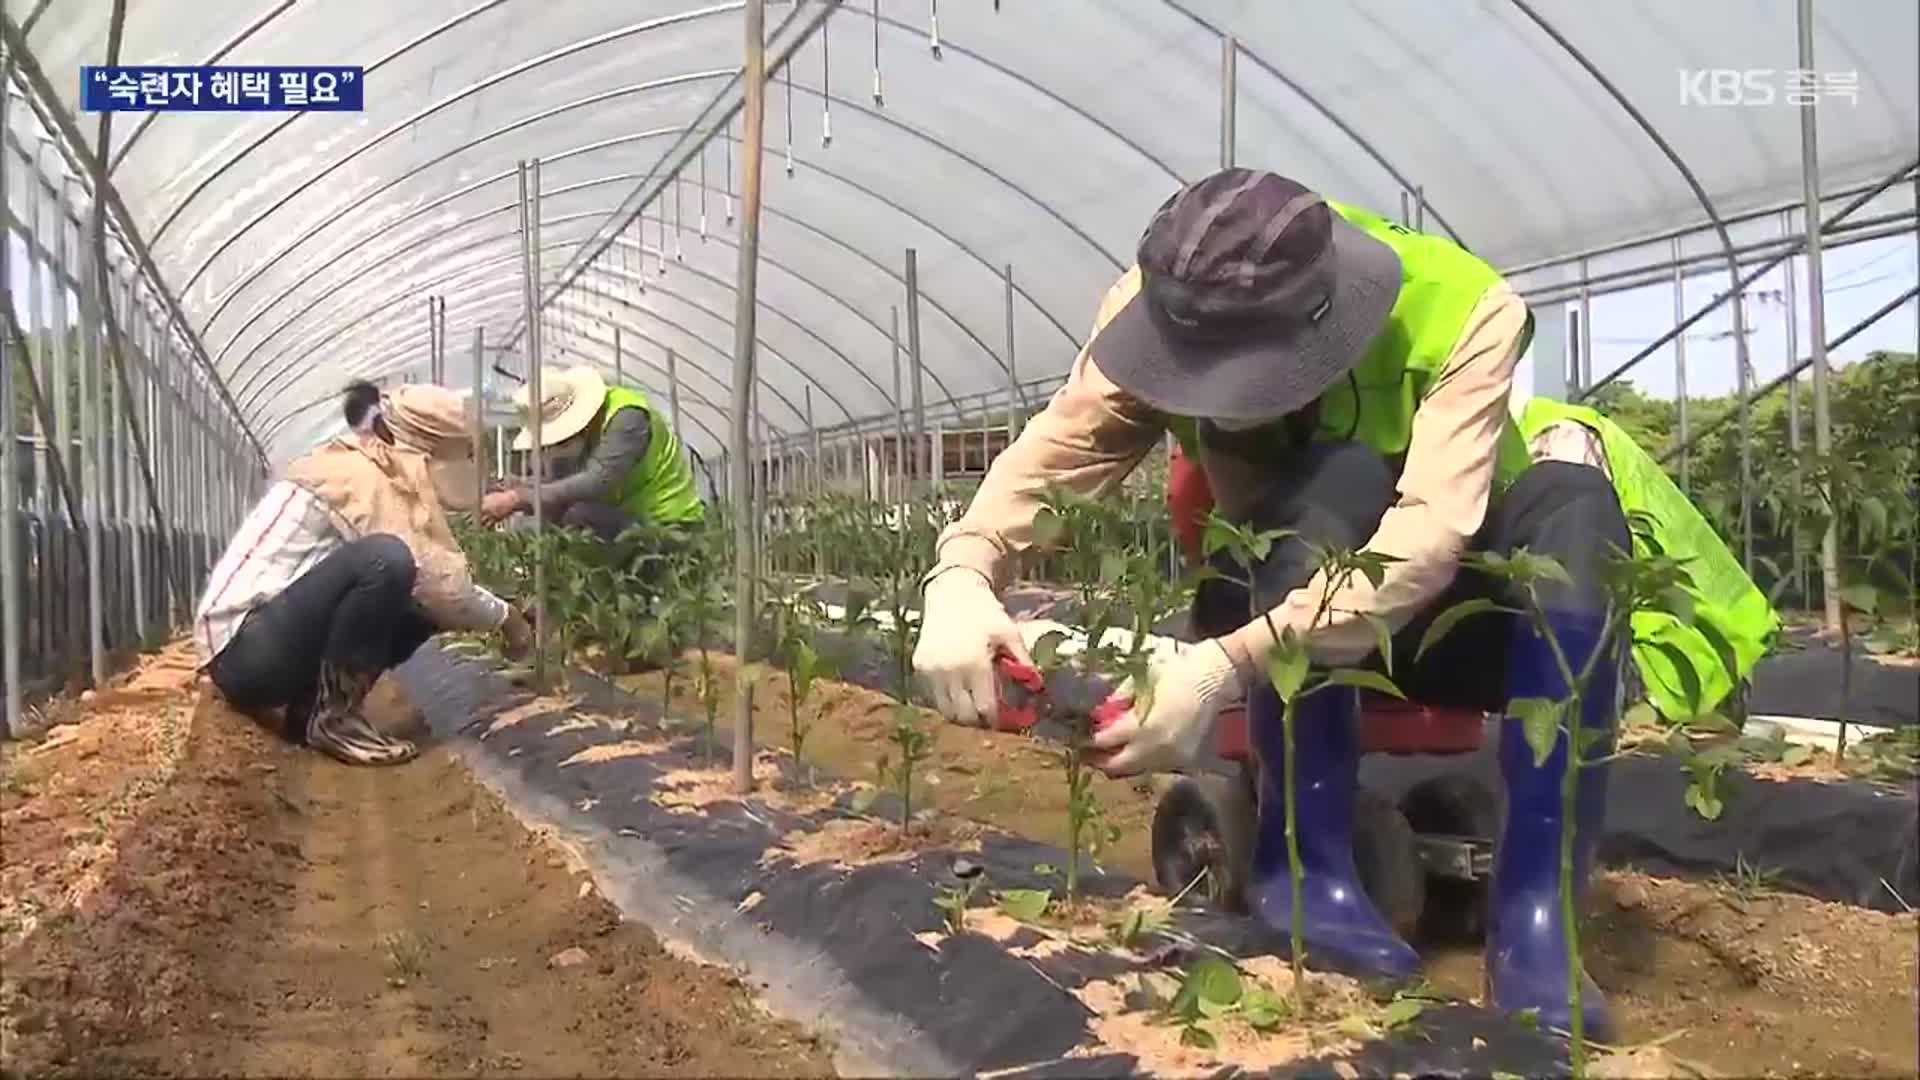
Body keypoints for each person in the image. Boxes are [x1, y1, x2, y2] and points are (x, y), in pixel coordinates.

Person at [910, 168, 1765, 1039]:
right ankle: (1305, 867)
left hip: (1458, 614)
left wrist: (1218, 671)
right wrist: (963, 574)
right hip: (1266, 586)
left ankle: (1537, 923)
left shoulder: (1465, 311)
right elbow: (1065, 445)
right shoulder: (1164, 302)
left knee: (1577, 511)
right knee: (1335, 482)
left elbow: (1426, 539)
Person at [196, 381, 533, 766]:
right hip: (245, 651)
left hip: (266, 643)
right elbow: (441, 585)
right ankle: (336, 721)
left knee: (418, 607)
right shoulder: (360, 479)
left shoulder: (370, 466)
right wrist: (509, 620)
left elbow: (437, 596)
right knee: (388, 560)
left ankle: (311, 713)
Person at [478, 365, 705, 579]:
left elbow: (595, 482)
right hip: (626, 520)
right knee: (554, 511)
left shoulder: (627, 417)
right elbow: (565, 482)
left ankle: (619, 589)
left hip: (667, 526)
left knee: (578, 514)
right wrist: (520, 484)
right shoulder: (593, 428)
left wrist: (517, 497)